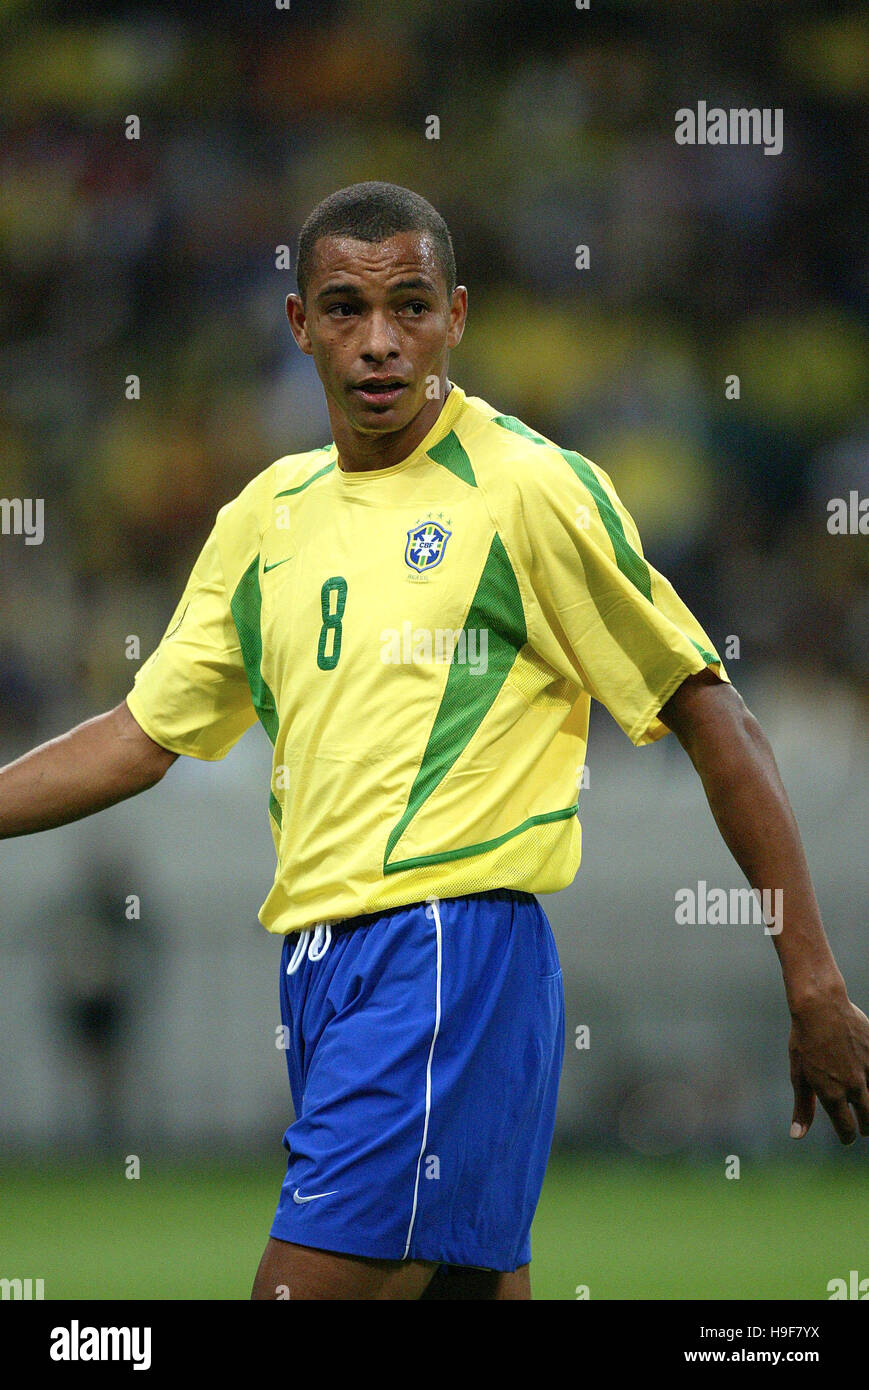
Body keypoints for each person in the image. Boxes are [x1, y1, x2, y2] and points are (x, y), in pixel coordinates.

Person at [3, 182, 867, 1302]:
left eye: (408, 306)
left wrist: (810, 979)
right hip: (321, 974)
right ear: (297, 324)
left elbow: (713, 715)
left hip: (447, 957)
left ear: (455, 316)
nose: (378, 341)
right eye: (346, 308)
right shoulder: (265, 517)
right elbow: (138, 735)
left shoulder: (527, 489)